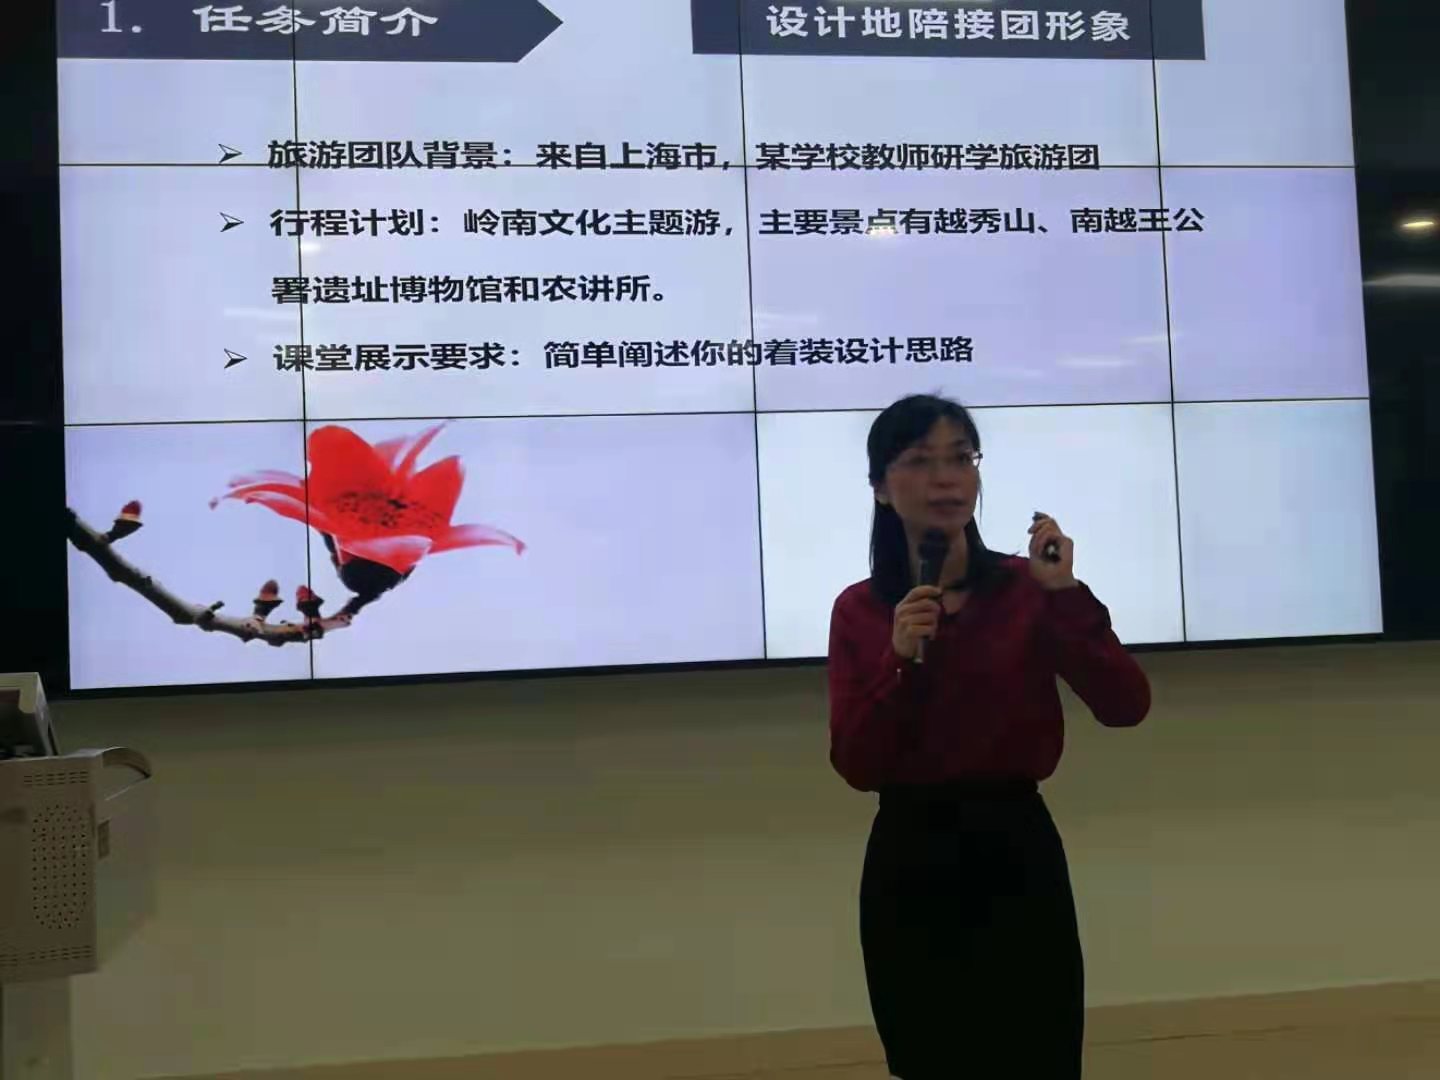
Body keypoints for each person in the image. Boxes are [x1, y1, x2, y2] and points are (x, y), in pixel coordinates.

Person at [827, 394, 1152, 1080]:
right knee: (932, 1058)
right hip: (911, 856)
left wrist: (1064, 595)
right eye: (920, 461)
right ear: (881, 487)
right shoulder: (861, 610)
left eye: (960, 459)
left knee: (1038, 1054)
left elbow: (1125, 705)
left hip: (1015, 848)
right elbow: (857, 763)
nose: (946, 479)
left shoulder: (1029, 588)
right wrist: (898, 661)